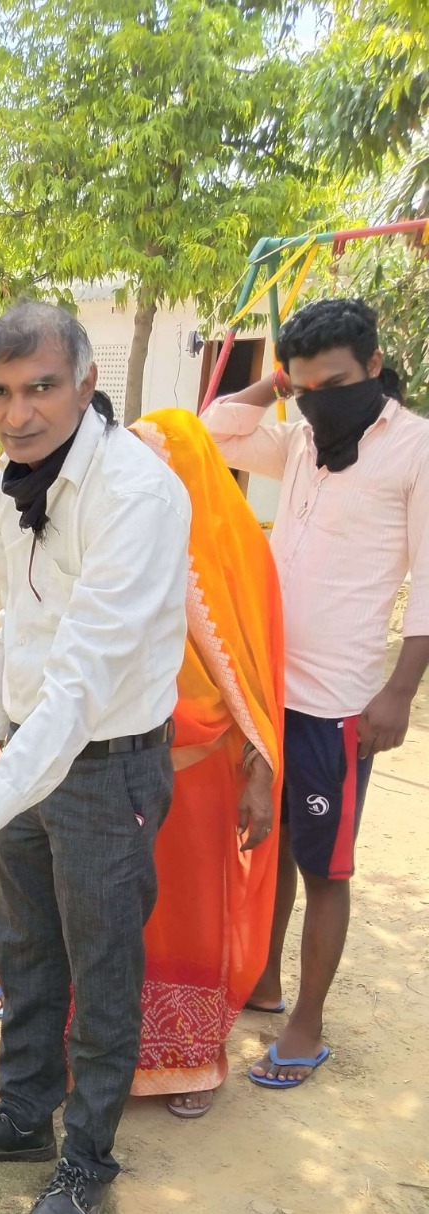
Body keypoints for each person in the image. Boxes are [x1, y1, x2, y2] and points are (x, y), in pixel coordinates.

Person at [0, 302, 191, 1214]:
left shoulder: (137, 496)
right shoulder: (7, 488)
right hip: (28, 755)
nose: (17, 413)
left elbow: (81, 684)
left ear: (85, 385)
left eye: (40, 388)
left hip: (108, 768)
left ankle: (87, 1160)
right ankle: (22, 1117)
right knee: (28, 949)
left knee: (102, 965)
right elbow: (22, 632)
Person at [204, 298, 429, 1088]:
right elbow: (215, 432)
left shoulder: (415, 450)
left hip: (339, 701)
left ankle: (307, 1023)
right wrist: (277, 386)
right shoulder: (301, 439)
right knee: (273, 850)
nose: (318, 402)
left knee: (324, 866)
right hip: (270, 688)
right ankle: (264, 980)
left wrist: (399, 691)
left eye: (333, 384)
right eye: (304, 389)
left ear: (374, 366)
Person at [127, 409, 284, 1118]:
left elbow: (253, 679)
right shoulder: (124, 544)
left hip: (203, 774)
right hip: (124, 767)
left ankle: (189, 1060)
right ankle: (114, 1055)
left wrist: (260, 773)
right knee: (121, 917)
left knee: (190, 917)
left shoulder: (236, 557)